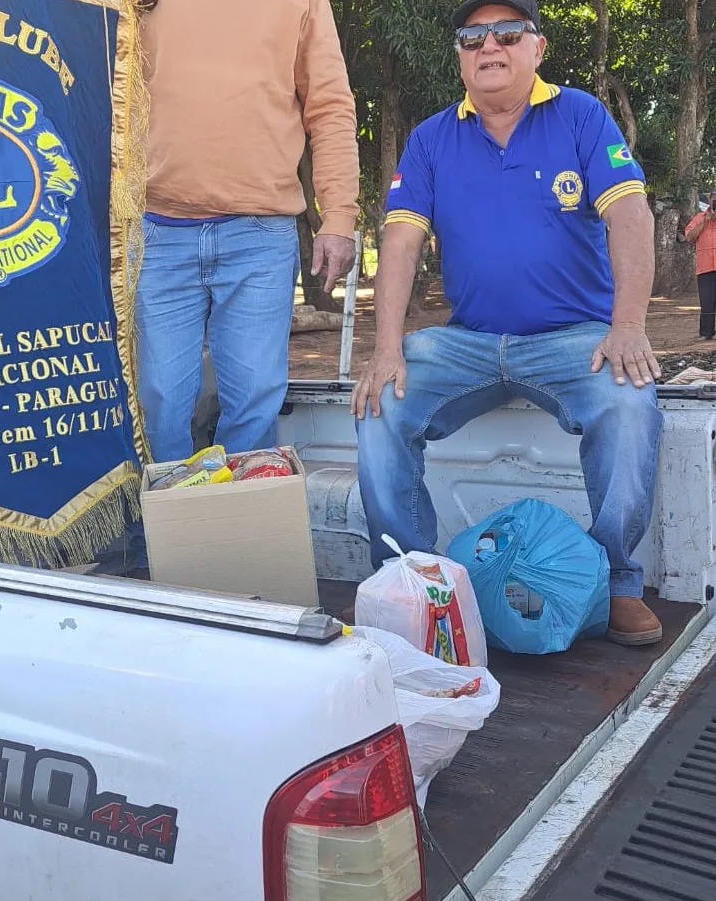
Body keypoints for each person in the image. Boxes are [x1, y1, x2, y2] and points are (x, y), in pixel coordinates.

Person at [351, 0, 664, 646]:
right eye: (472, 37)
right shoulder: (431, 137)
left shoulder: (579, 114)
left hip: (571, 340)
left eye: (507, 33)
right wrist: (386, 348)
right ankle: (411, 582)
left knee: (629, 399)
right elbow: (401, 241)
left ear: (536, 48)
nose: (488, 45)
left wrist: (627, 324)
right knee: (379, 399)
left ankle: (614, 583)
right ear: (460, 56)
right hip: (468, 341)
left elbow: (630, 214)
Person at [136, 0, 359, 463]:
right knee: (157, 400)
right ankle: (164, 529)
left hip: (260, 233)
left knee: (256, 396)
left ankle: (240, 529)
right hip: (157, 228)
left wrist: (338, 215)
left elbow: (330, 106)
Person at [684, 191, 716, 339]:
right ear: (710, 200)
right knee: (707, 301)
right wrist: (705, 222)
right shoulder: (699, 218)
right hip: (705, 267)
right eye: (714, 200)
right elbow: (689, 237)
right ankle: (706, 332)